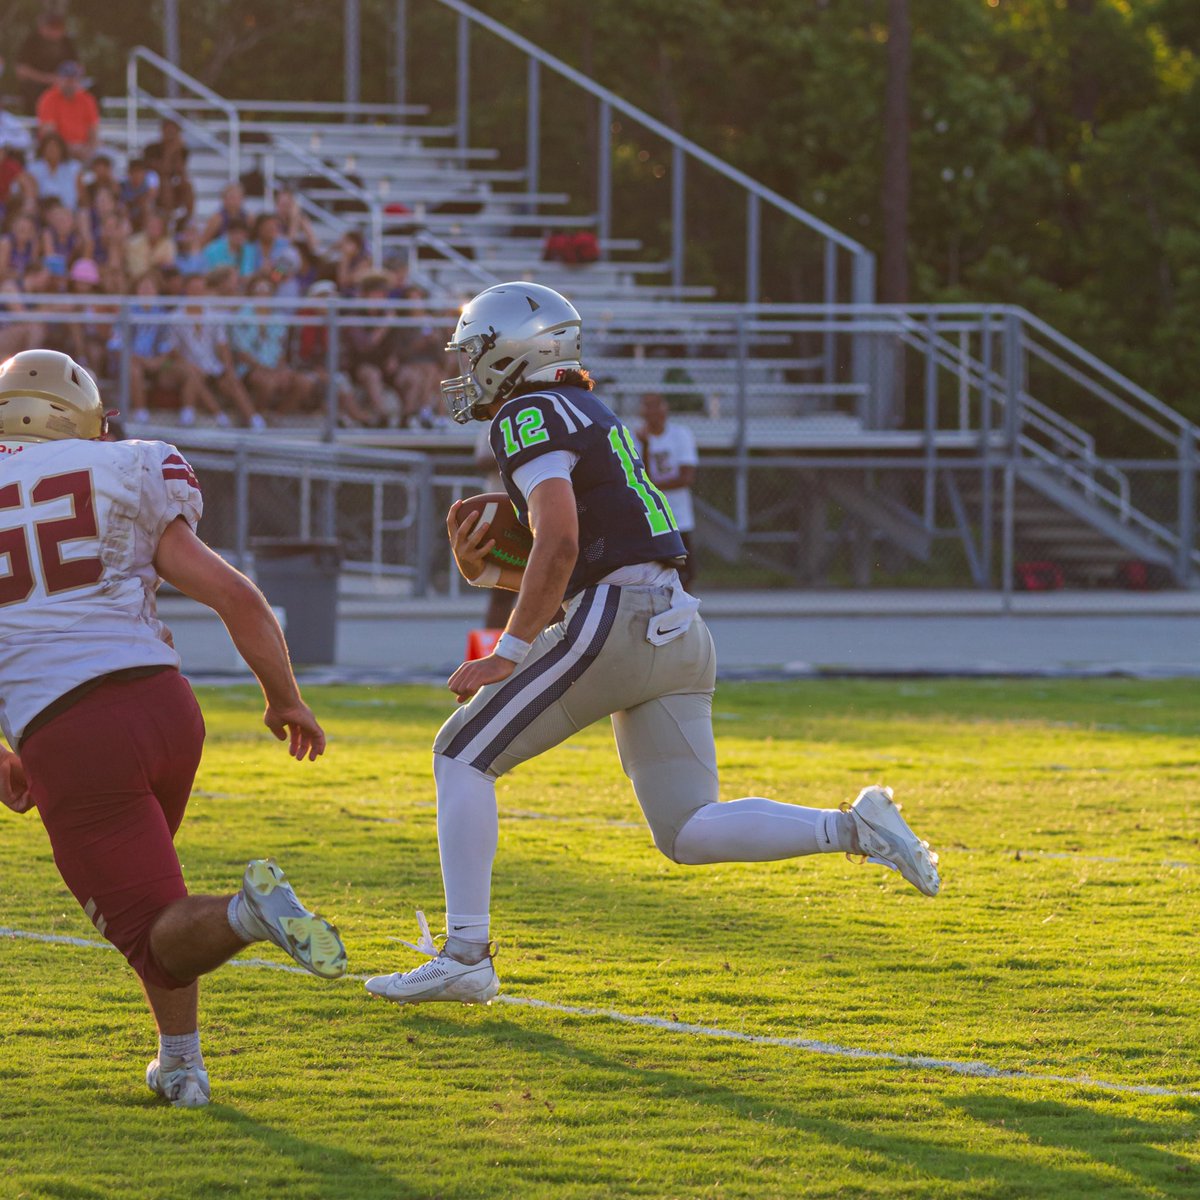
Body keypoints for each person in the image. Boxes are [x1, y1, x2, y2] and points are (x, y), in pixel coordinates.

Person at [364, 282, 941, 1006]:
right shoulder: (593, 410)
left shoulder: (526, 412)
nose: (468, 366)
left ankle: (466, 954)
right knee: (689, 831)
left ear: (515, 351)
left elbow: (564, 540)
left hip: (619, 623)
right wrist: (498, 570)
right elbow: (588, 550)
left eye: (476, 350)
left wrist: (508, 649)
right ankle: (855, 828)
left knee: (460, 755)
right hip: (677, 628)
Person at [0, 349, 347, 1107]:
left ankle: (246, 914)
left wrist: (10, 753)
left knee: (154, 931)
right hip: (166, 709)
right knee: (160, 905)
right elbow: (237, 596)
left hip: (71, 734)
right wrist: (284, 698)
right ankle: (182, 1064)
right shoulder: (124, 469)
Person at [637, 392, 700, 590]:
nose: (652, 411)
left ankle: (685, 614)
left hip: (679, 516)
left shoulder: (680, 434)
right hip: (653, 516)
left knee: (685, 573)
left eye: (656, 405)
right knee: (653, 572)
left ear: (666, 408)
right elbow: (639, 475)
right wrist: (646, 446)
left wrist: (653, 486)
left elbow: (686, 477)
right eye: (647, 405)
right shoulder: (636, 437)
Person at [15, 6, 80, 116]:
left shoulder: (67, 42)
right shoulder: (31, 41)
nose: (55, 31)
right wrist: (47, 78)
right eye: (51, 27)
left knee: (90, 89)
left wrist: (68, 79)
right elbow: (21, 71)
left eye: (58, 27)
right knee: (34, 91)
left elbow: (77, 66)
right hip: (38, 85)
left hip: (63, 84)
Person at [34, 60, 98, 159]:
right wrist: (70, 149)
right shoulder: (48, 99)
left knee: (108, 159)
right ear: (58, 79)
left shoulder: (87, 99)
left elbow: (93, 131)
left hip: (83, 148)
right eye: (67, 79)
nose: (70, 83)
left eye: (73, 79)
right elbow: (49, 134)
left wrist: (89, 149)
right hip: (58, 150)